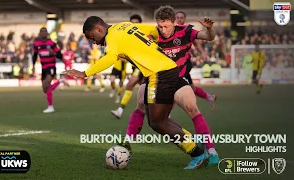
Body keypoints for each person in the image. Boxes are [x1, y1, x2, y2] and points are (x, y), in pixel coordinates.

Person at [62, 16, 213, 169]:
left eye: (93, 37)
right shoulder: (124, 25)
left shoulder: (111, 37)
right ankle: (194, 143)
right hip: (165, 68)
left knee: (158, 122)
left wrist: (85, 73)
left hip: (159, 73)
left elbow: (109, 58)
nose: (94, 42)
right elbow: (153, 31)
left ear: (99, 29)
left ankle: (197, 153)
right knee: (157, 120)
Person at [115, 6, 219, 165]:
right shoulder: (152, 34)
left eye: (166, 26)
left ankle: (211, 150)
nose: (162, 30)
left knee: (191, 107)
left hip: (178, 78)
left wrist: (210, 29)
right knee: (142, 103)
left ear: (174, 22)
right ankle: (128, 142)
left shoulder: (185, 31)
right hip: (156, 79)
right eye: (160, 26)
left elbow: (208, 37)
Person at [175, 11, 217, 108]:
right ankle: (210, 97)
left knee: (175, 85)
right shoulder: (170, 31)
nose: (179, 19)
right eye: (177, 17)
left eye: (181, 17)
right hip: (174, 64)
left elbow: (197, 43)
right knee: (191, 88)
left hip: (184, 63)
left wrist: (203, 53)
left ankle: (168, 114)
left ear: (184, 19)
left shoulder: (187, 31)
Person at [111, 14, 145, 117]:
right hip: (137, 66)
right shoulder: (128, 37)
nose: (134, 24)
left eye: (136, 22)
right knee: (144, 94)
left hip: (143, 66)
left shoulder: (143, 35)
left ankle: (120, 110)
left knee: (131, 86)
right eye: (132, 23)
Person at [32, 27, 69, 113]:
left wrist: (54, 53)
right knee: (45, 89)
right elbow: (34, 55)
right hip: (43, 68)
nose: (44, 33)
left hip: (51, 67)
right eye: (42, 32)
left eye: (45, 32)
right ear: (40, 34)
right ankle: (60, 81)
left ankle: (51, 107)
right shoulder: (36, 44)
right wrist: (33, 66)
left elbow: (60, 55)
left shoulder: (52, 44)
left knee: (47, 84)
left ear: (47, 33)